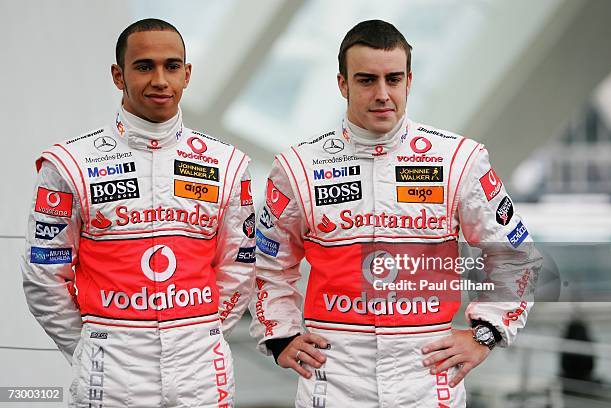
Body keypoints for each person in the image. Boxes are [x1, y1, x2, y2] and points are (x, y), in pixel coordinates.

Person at [250, 19, 541, 407]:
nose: (382, 94)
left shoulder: (457, 159)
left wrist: (485, 334)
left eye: (393, 79)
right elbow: (264, 261)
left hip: (428, 380)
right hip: (332, 381)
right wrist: (280, 335)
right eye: (367, 80)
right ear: (343, 84)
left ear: (409, 81)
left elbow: (516, 253)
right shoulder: (298, 167)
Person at [22, 18, 255, 407]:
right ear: (119, 75)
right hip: (111, 371)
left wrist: (204, 333)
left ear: (187, 74)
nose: (160, 79)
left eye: (172, 66)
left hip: (201, 370)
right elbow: (44, 276)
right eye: (144, 66)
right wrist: (92, 347)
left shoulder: (227, 164)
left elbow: (240, 268)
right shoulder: (69, 164)